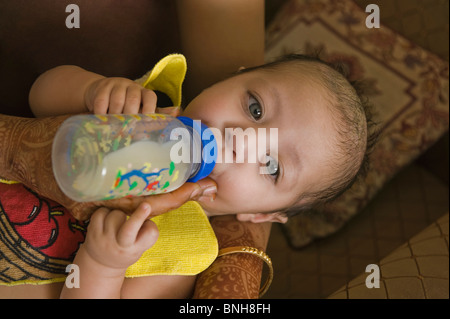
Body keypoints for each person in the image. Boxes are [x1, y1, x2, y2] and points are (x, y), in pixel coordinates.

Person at [22, 51, 376, 298]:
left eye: (271, 166)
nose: (243, 143)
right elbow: (38, 95)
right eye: (255, 109)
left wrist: (103, 264)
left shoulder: (183, 252)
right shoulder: (144, 105)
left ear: (260, 215)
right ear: (232, 78)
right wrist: (92, 90)